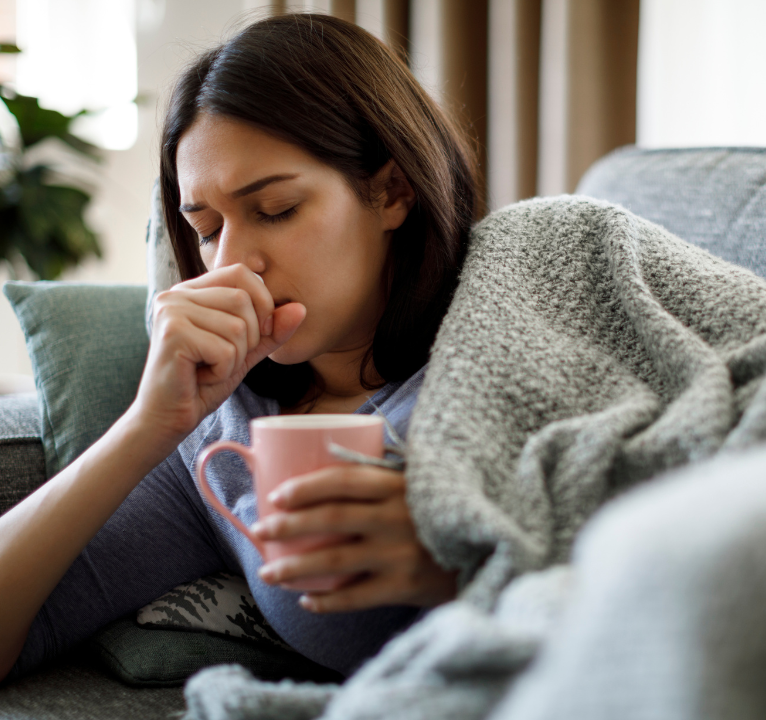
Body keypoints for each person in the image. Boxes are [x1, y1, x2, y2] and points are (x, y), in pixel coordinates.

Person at [0, 13, 476, 682]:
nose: (232, 264)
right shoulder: (222, 437)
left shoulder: (501, 346)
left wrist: (467, 569)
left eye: (275, 209)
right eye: (205, 228)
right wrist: (147, 426)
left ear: (392, 189)